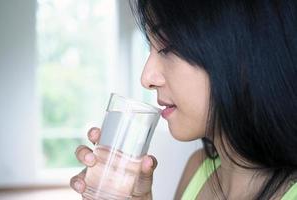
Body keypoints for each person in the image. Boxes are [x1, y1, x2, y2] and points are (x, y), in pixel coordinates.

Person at [70, 0, 297, 199]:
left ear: (242, 52)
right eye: (150, 47)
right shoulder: (197, 169)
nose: (146, 78)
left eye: (168, 47)